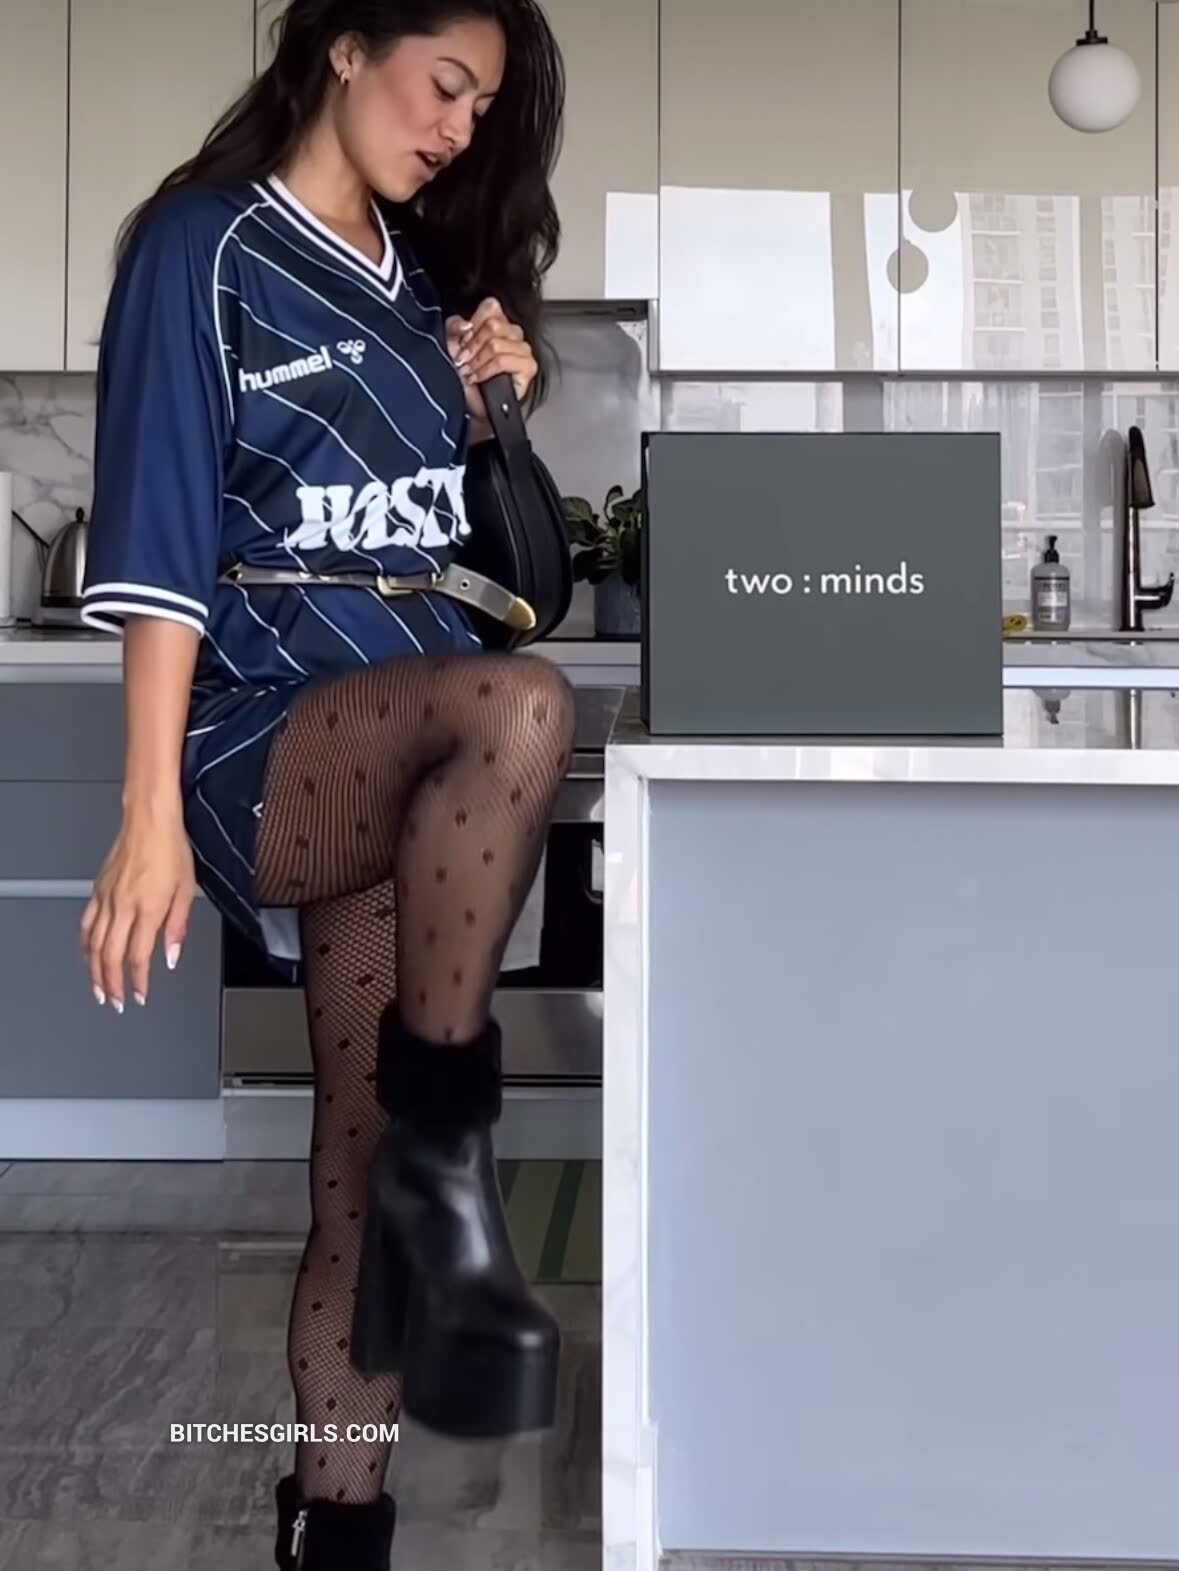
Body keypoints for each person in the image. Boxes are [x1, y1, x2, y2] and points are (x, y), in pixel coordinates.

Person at [76, 2, 574, 1565]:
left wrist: (492, 413)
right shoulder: (206, 245)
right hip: (266, 743)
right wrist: (146, 816)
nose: (459, 130)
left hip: (409, 768)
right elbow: (158, 537)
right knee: (523, 706)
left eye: (482, 111)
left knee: (358, 1181)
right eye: (447, 85)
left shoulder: (424, 285)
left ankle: (334, 1530)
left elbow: (484, 566)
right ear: (348, 46)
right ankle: (456, 1153)